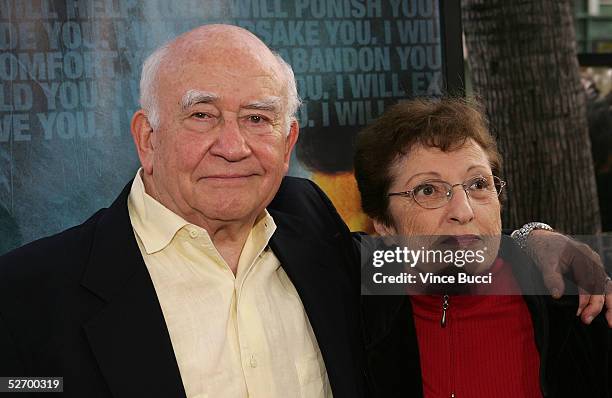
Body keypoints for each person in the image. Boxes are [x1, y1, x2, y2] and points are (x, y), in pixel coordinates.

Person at [0, 24, 609, 398]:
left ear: (288, 143)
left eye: (258, 118)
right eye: (202, 114)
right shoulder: (28, 296)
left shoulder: (316, 234)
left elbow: (455, 259)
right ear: (146, 136)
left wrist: (536, 238)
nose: (233, 145)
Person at [354, 97, 611, 397]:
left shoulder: (574, 303)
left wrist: (533, 235)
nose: (463, 211)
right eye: (428, 190)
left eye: (478, 185)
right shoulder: (355, 311)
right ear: (384, 224)